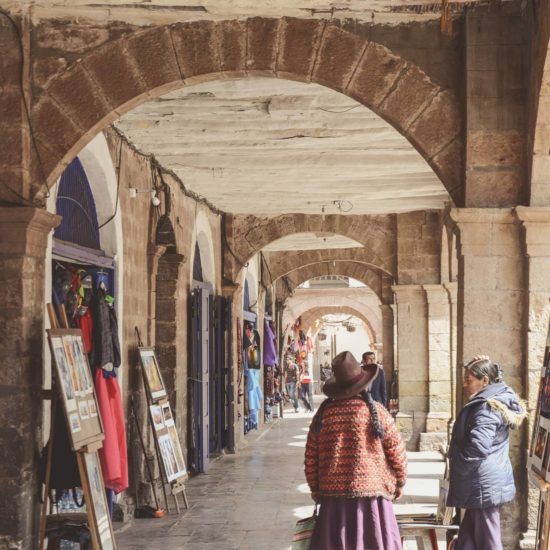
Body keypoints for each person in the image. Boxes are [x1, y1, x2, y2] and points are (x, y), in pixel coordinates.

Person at [305, 351, 407, 549]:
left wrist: (315, 488)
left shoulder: (324, 415)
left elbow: (311, 456)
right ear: (363, 384)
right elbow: (396, 450)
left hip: (333, 499)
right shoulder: (376, 411)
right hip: (372, 500)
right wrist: (400, 481)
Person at [447, 356, 527, 550]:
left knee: (487, 541)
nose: (465, 384)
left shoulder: (485, 408)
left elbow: (478, 448)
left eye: (469, 379)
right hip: (481, 483)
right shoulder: (490, 399)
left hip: (482, 483)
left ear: (484, 381)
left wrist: (458, 464)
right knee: (468, 539)